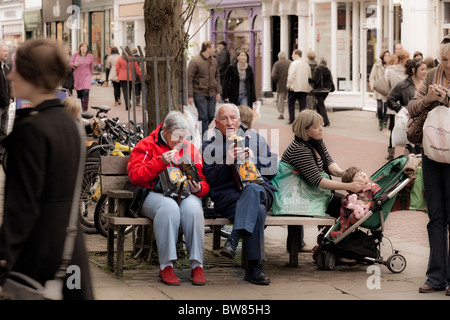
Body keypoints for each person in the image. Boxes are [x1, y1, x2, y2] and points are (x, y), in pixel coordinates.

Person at [0, 39, 93, 299]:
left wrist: (5, 260)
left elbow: (22, 206)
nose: (11, 74)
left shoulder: (32, 129)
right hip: (69, 250)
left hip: (37, 256)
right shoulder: (68, 122)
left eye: (18, 68)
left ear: (33, 74)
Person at [127, 111, 209, 286]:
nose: (181, 142)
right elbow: (135, 176)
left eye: (184, 137)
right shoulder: (146, 145)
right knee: (169, 208)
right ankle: (166, 265)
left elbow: (202, 179)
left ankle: (197, 264)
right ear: (165, 131)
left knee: (194, 208)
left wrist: (199, 187)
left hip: (184, 193)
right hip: (153, 195)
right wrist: (159, 161)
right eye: (177, 137)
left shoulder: (189, 148)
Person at [202, 104, 278, 285]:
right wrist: (226, 163)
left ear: (239, 120)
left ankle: (234, 238)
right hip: (230, 196)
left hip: (261, 190)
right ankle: (254, 267)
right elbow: (210, 180)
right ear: (216, 122)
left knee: (253, 190)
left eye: (233, 118)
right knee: (257, 209)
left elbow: (273, 170)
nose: (229, 122)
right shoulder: (209, 145)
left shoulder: (255, 139)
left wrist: (254, 160)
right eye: (224, 118)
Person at [281, 110, 366, 254]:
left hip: (307, 192)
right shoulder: (299, 148)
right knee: (347, 206)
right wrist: (347, 186)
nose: (321, 128)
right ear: (306, 131)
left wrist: (344, 173)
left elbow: (329, 164)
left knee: (349, 203)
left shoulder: (317, 143)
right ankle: (336, 245)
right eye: (316, 126)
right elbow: (317, 180)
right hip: (298, 196)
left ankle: (337, 243)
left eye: (321, 125)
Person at [407, 37, 450, 296]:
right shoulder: (433, 74)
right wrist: (428, 100)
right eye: (444, 60)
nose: (446, 66)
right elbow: (412, 108)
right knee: (435, 216)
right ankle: (436, 277)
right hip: (433, 152)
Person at [386, 58, 428, 155]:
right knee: (417, 152)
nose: (425, 72)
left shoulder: (425, 84)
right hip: (412, 125)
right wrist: (401, 109)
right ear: (414, 70)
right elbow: (389, 99)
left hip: (425, 123)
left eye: (426, 69)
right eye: (422, 69)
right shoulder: (403, 85)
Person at [330, 167, 381, 239]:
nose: (362, 174)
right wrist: (351, 204)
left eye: (361, 172)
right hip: (358, 211)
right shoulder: (355, 191)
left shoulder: (374, 187)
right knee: (342, 209)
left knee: (353, 215)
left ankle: (344, 233)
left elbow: (377, 201)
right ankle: (342, 229)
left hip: (370, 214)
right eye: (357, 176)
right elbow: (344, 200)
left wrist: (364, 203)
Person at [187, 41, 221, 138]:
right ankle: (204, 137)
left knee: (211, 115)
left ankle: (199, 129)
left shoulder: (214, 61)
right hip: (199, 92)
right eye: (213, 47)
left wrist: (219, 92)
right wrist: (190, 95)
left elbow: (217, 76)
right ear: (208, 49)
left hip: (212, 93)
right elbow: (189, 79)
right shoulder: (195, 61)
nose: (215, 49)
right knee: (204, 116)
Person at [384, 49, 410, 160]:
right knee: (408, 128)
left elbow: (386, 85)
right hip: (406, 105)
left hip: (393, 104)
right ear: (404, 59)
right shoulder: (408, 73)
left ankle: (391, 153)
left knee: (392, 128)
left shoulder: (389, 70)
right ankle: (407, 151)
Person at [286, 49, 312, 124]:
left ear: (297, 55)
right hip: (304, 88)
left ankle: (292, 119)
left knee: (291, 104)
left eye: (293, 54)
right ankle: (302, 120)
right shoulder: (306, 65)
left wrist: (288, 85)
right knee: (302, 105)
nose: (292, 56)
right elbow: (309, 76)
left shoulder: (294, 64)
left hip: (294, 88)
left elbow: (291, 76)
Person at [309, 57, 334, 127]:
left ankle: (326, 121)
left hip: (319, 90)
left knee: (321, 105)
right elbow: (331, 79)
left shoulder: (318, 69)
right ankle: (319, 120)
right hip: (327, 90)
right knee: (319, 105)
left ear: (319, 62)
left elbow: (315, 80)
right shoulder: (328, 70)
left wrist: (308, 79)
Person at [369, 50, 391, 130]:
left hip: (387, 90)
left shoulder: (391, 66)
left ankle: (385, 122)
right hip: (378, 90)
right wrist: (373, 86)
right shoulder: (377, 65)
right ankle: (380, 120)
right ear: (382, 57)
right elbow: (372, 77)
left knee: (386, 107)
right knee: (379, 107)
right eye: (386, 55)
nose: (387, 57)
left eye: (389, 55)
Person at [70, 42, 94, 112]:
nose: (84, 48)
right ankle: (79, 110)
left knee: (86, 91)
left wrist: (90, 75)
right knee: (79, 94)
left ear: (87, 48)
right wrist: (74, 64)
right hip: (78, 76)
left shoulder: (90, 56)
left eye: (85, 47)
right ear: (80, 48)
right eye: (82, 46)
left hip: (87, 75)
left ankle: (85, 110)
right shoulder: (75, 55)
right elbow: (70, 63)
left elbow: (91, 67)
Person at [0, 43, 12, 164]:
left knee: (3, 130)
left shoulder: (7, 68)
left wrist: (11, 97)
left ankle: (1, 154)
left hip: (6, 104)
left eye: (7, 52)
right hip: (0, 104)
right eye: (4, 51)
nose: (6, 53)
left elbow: (10, 85)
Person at [271, 51, 291, 119]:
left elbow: (274, 75)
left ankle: (281, 114)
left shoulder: (277, 64)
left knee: (280, 100)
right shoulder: (290, 63)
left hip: (280, 84)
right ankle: (290, 114)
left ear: (279, 57)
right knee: (289, 99)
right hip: (290, 84)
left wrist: (276, 81)